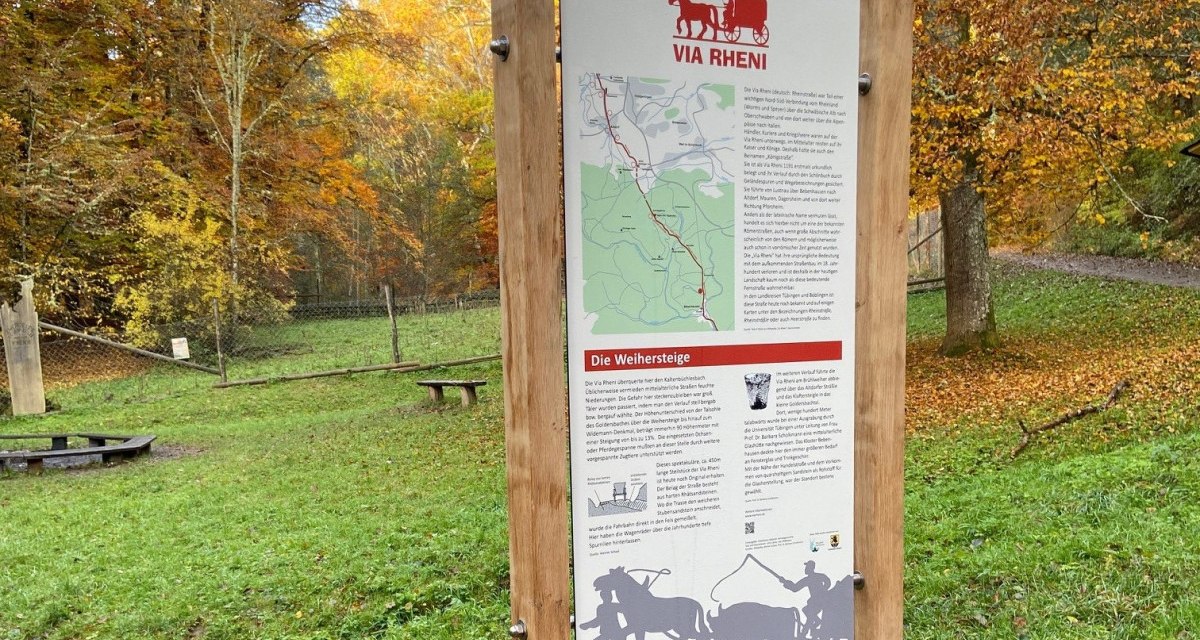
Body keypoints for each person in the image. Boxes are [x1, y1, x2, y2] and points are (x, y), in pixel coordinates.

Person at [780, 561, 831, 639]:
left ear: (811, 568)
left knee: (810, 616)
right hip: (816, 601)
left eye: (807, 567)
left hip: (820, 601)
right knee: (807, 611)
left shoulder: (815, 577)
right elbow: (795, 588)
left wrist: (822, 593)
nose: (805, 569)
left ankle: (803, 634)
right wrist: (785, 582)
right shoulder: (810, 578)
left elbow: (828, 582)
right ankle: (816, 622)